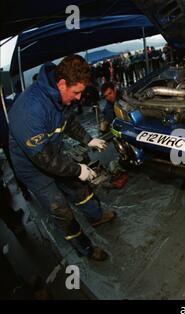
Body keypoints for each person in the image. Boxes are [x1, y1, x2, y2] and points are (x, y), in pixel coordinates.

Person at [8, 55, 116, 262]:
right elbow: (45, 159)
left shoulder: (60, 97)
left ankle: (96, 217)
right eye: (76, 93)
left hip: (52, 154)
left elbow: (68, 122)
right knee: (61, 209)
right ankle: (86, 249)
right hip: (34, 170)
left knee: (81, 189)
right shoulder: (29, 111)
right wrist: (77, 169)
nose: (78, 98)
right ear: (61, 84)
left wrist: (88, 140)